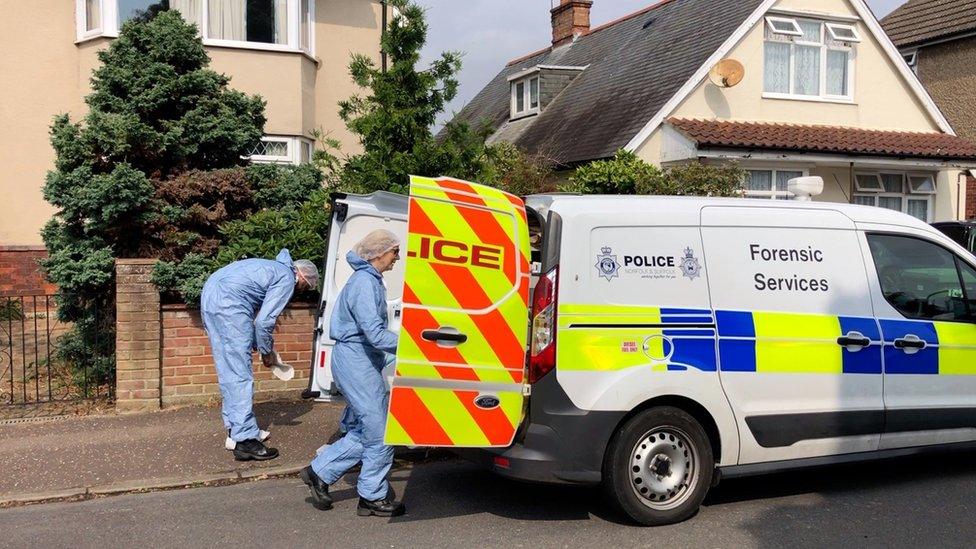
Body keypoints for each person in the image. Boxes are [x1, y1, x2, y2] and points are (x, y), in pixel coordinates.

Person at [300, 229, 405, 517]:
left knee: (368, 429)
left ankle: (319, 472)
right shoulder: (364, 283)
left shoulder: (368, 281)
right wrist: (413, 344)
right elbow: (373, 332)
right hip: (355, 361)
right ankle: (372, 497)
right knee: (381, 431)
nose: (398, 257)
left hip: (358, 360)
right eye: (395, 251)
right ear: (379, 253)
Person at [201, 249, 319, 461]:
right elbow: (264, 322)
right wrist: (266, 353)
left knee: (229, 370)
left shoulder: (271, 268)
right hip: (230, 304)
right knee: (240, 374)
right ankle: (246, 441)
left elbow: (256, 319)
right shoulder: (286, 279)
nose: (301, 290)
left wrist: (259, 343)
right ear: (302, 277)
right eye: (305, 287)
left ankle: (235, 432)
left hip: (211, 296)